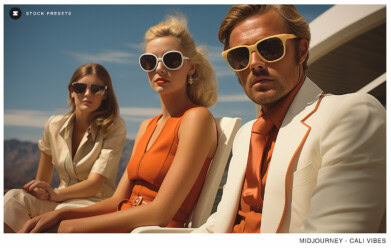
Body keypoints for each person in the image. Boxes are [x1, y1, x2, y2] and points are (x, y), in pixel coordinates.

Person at [194, 4, 386, 233]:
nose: (254, 63)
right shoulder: (245, 135)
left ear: (302, 50)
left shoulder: (352, 115)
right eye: (239, 56)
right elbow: (223, 220)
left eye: (270, 48)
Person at [19, 15, 218, 233]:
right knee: (35, 223)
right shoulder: (147, 126)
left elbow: (161, 213)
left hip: (152, 232)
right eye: (150, 61)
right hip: (123, 221)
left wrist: (71, 227)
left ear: (191, 67)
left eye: (171, 60)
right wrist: (60, 213)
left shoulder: (196, 118)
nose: (159, 69)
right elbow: (116, 201)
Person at [4, 63, 127, 233]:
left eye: (96, 89)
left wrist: (55, 195)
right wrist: (40, 192)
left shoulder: (114, 126)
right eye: (80, 88)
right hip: (58, 200)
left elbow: (94, 185)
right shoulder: (54, 124)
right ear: (71, 90)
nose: (87, 94)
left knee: (56, 217)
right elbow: (42, 181)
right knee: (12, 199)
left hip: (92, 205)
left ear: (105, 94)